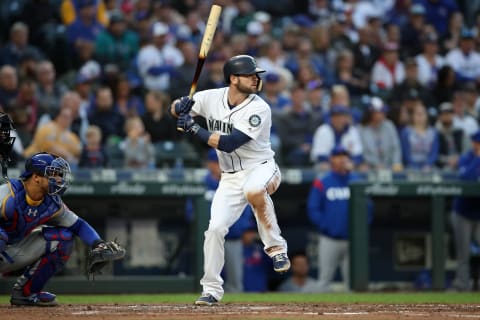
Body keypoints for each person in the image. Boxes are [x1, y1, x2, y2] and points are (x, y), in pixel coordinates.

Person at [170, 54, 290, 305]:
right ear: (233, 79)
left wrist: (192, 127)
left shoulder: (259, 107)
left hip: (261, 168)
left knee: (254, 190)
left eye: (257, 75)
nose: (256, 79)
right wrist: (178, 108)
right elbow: (177, 106)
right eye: (250, 75)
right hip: (229, 178)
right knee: (214, 229)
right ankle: (211, 290)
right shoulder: (210, 97)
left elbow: (229, 143)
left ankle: (277, 249)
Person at [0, 150, 118, 306]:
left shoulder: (52, 202)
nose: (58, 179)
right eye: (53, 174)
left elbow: (78, 225)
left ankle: (26, 293)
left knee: (64, 237)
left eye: (59, 174)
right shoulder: (7, 194)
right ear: (35, 177)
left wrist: (98, 243)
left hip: (12, 252)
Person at [307, 145, 372, 292]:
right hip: (329, 239)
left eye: (344, 156)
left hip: (354, 240)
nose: (342, 159)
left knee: (353, 284)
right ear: (332, 159)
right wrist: (326, 226)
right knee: (324, 281)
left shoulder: (357, 180)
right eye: (338, 156)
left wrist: (361, 228)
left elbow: (368, 208)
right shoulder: (323, 182)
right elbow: (313, 208)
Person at [451, 130, 480, 291]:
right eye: (477, 142)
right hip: (463, 212)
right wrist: (478, 159)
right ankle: (462, 285)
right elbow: (465, 179)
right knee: (463, 254)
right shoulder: (467, 158)